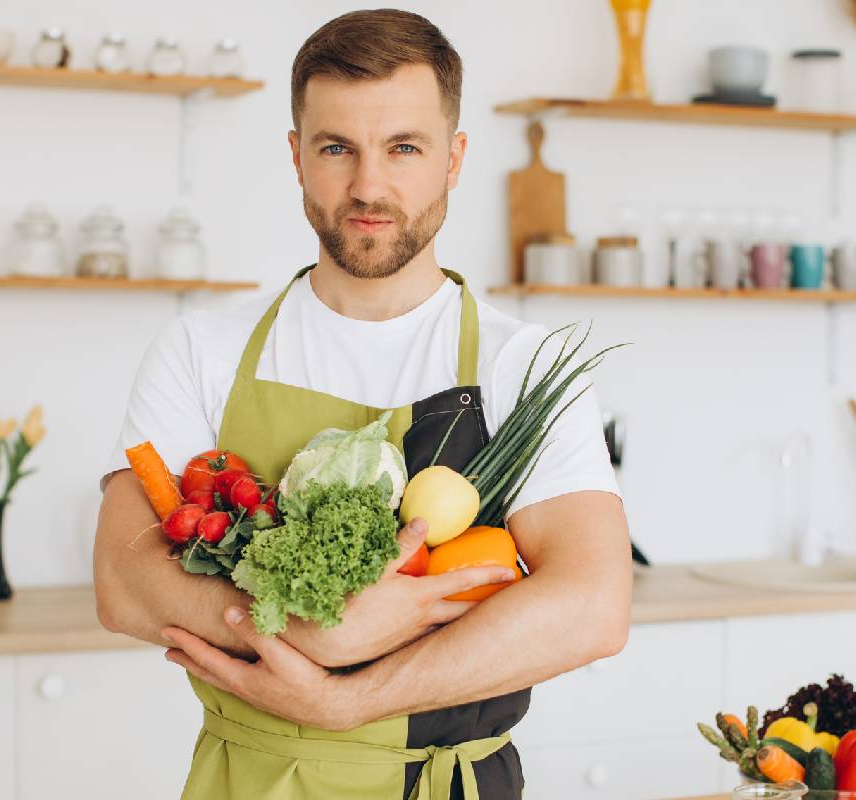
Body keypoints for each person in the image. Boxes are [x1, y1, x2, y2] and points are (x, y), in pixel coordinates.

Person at [94, 9, 632, 799]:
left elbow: (593, 605)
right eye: (336, 147)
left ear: (453, 159)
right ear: (297, 157)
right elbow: (121, 577)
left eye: (404, 148)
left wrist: (348, 698)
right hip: (248, 778)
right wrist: (301, 624)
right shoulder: (201, 351)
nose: (368, 186)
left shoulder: (525, 365)